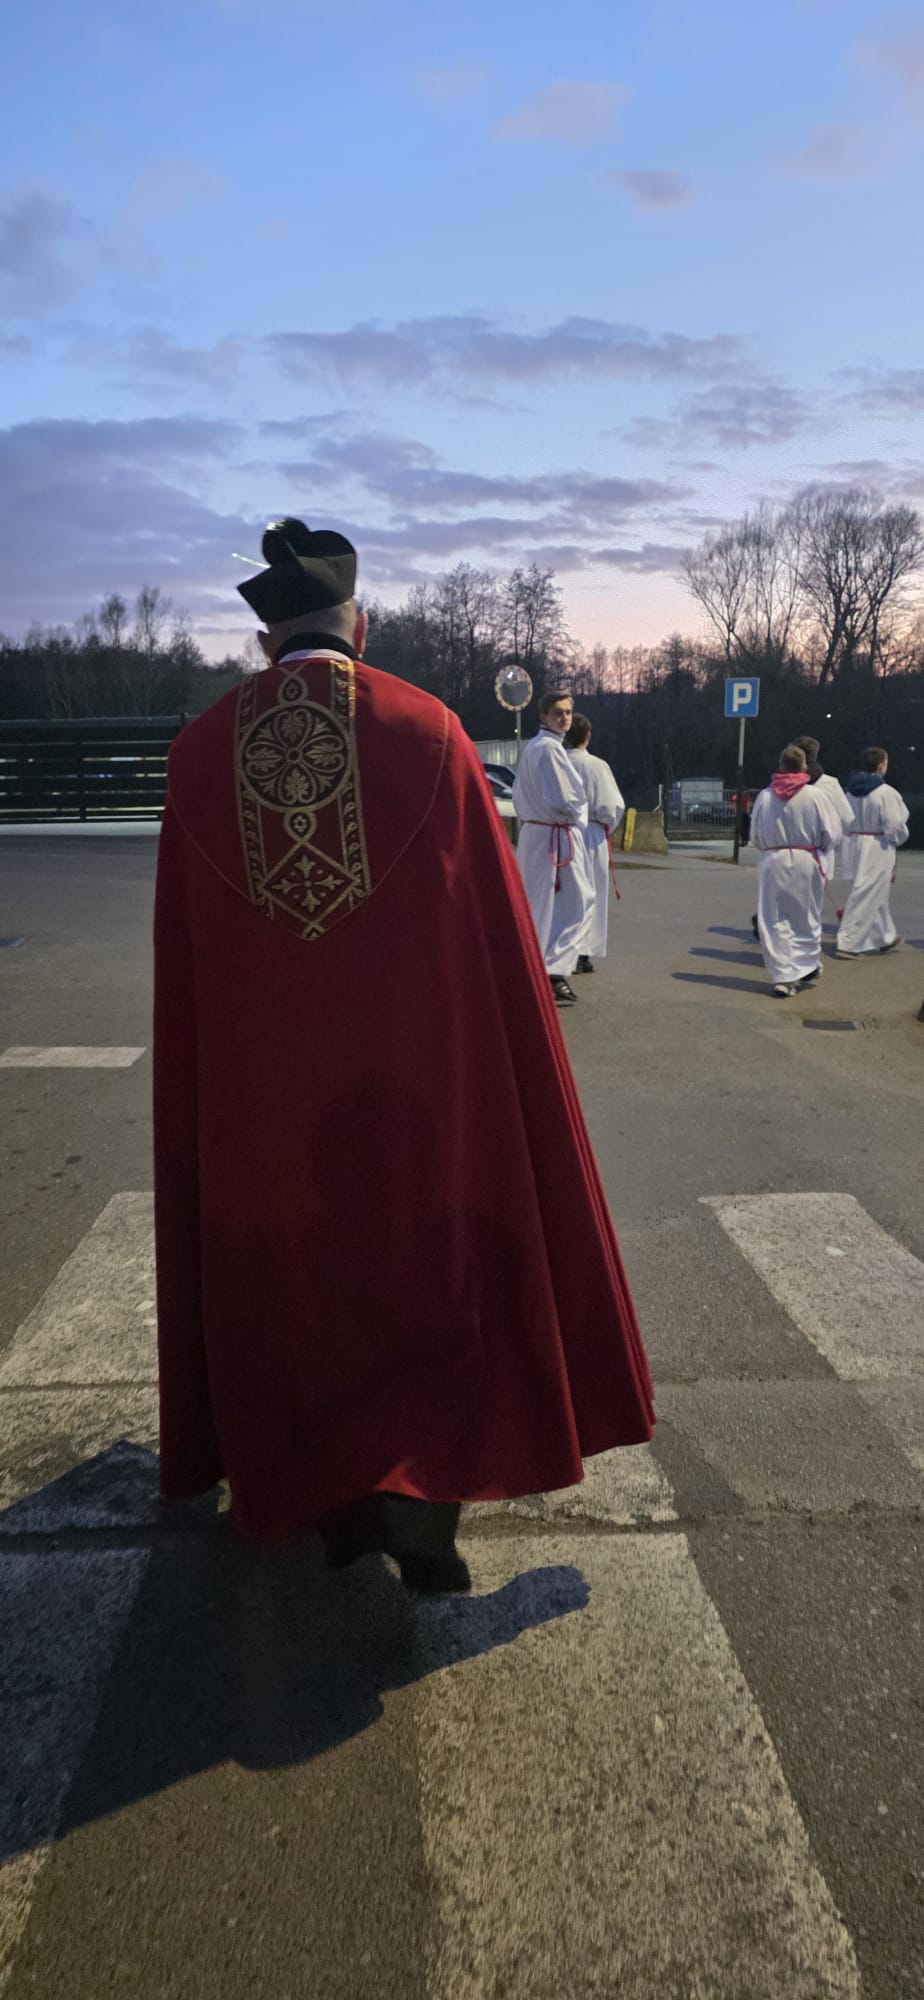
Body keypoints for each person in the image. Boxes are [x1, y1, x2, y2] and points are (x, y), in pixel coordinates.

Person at [153, 518, 654, 1594]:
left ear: (262, 643)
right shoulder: (430, 732)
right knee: (420, 1264)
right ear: (362, 627)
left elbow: (189, 966)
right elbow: (495, 938)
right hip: (416, 1086)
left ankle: (316, 1490)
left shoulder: (196, 758)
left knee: (290, 1272)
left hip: (262, 1101)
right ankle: (418, 1492)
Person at [511, 689, 594, 1006]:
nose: (564, 718)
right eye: (558, 713)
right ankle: (552, 971)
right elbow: (566, 799)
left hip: (538, 834)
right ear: (544, 716)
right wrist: (578, 818)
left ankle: (536, 968)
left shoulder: (535, 747)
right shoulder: (549, 750)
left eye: (568, 712)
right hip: (554, 836)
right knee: (576, 904)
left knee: (541, 905)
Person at [748, 743, 838, 997]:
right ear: (804, 766)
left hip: (773, 860)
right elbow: (831, 832)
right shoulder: (815, 795)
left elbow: (755, 833)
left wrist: (770, 848)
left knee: (774, 918)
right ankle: (806, 963)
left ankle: (783, 975)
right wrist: (820, 851)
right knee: (806, 914)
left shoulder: (766, 796)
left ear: (780, 766)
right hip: (806, 859)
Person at [750, 734, 853, 938]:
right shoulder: (827, 785)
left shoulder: (772, 790)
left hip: (776, 852)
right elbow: (845, 819)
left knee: (780, 898)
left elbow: (758, 830)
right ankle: (800, 942)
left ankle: (778, 935)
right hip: (813, 852)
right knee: (808, 904)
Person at [564, 713, 625, 973]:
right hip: (591, 835)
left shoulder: (558, 762)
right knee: (591, 893)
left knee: (566, 894)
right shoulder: (597, 766)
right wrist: (605, 827)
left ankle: (564, 948)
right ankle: (583, 951)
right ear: (587, 736)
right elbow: (613, 806)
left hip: (562, 832)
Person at [835, 747, 909, 958]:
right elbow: (894, 824)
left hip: (854, 842)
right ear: (881, 765)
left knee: (874, 891)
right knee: (866, 892)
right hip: (877, 845)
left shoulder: (850, 791)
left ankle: (884, 936)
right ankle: (848, 942)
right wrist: (898, 838)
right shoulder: (885, 792)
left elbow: (843, 818)